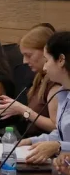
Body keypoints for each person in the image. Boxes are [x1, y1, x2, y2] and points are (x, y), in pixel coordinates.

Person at [0, 26, 60, 138]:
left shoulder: (55, 84)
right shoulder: (38, 78)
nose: (25, 61)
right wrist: (17, 110)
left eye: (29, 55)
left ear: (45, 52)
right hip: (30, 142)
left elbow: (56, 127)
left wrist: (23, 110)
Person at [20, 32, 70, 165]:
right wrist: (31, 141)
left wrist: (58, 146)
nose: (44, 67)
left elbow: (60, 142)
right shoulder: (63, 94)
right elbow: (61, 135)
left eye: (47, 60)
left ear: (61, 60)